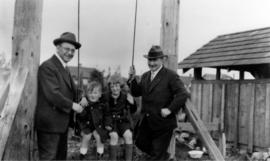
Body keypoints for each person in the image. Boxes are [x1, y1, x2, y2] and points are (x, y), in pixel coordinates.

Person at [128, 45, 189, 160]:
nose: (151, 63)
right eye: (149, 60)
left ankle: (160, 156)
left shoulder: (170, 76)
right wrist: (132, 79)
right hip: (147, 121)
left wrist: (170, 109)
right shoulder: (145, 76)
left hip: (163, 123)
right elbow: (136, 92)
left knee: (157, 155)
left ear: (162, 60)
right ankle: (165, 157)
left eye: (154, 60)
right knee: (140, 142)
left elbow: (183, 94)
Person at [35, 32, 84, 160]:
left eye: (73, 51)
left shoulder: (65, 68)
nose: (70, 53)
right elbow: (52, 94)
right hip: (50, 126)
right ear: (57, 48)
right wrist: (72, 105)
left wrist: (83, 97)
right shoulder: (47, 67)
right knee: (49, 158)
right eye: (67, 49)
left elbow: (73, 91)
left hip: (62, 124)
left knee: (60, 158)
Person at [105, 74, 137, 161]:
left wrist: (132, 103)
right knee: (114, 136)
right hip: (111, 122)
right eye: (112, 86)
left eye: (117, 86)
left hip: (123, 121)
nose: (115, 89)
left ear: (120, 86)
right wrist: (84, 98)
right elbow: (94, 98)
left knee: (128, 135)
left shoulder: (125, 96)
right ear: (109, 87)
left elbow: (133, 110)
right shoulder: (106, 96)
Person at [77, 81, 110, 160]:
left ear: (99, 95)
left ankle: (100, 154)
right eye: (90, 93)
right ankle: (82, 154)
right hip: (86, 125)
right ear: (87, 94)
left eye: (95, 93)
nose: (92, 95)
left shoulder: (102, 104)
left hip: (98, 125)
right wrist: (82, 109)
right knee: (86, 136)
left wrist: (108, 124)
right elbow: (80, 116)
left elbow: (107, 115)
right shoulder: (85, 103)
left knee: (99, 136)